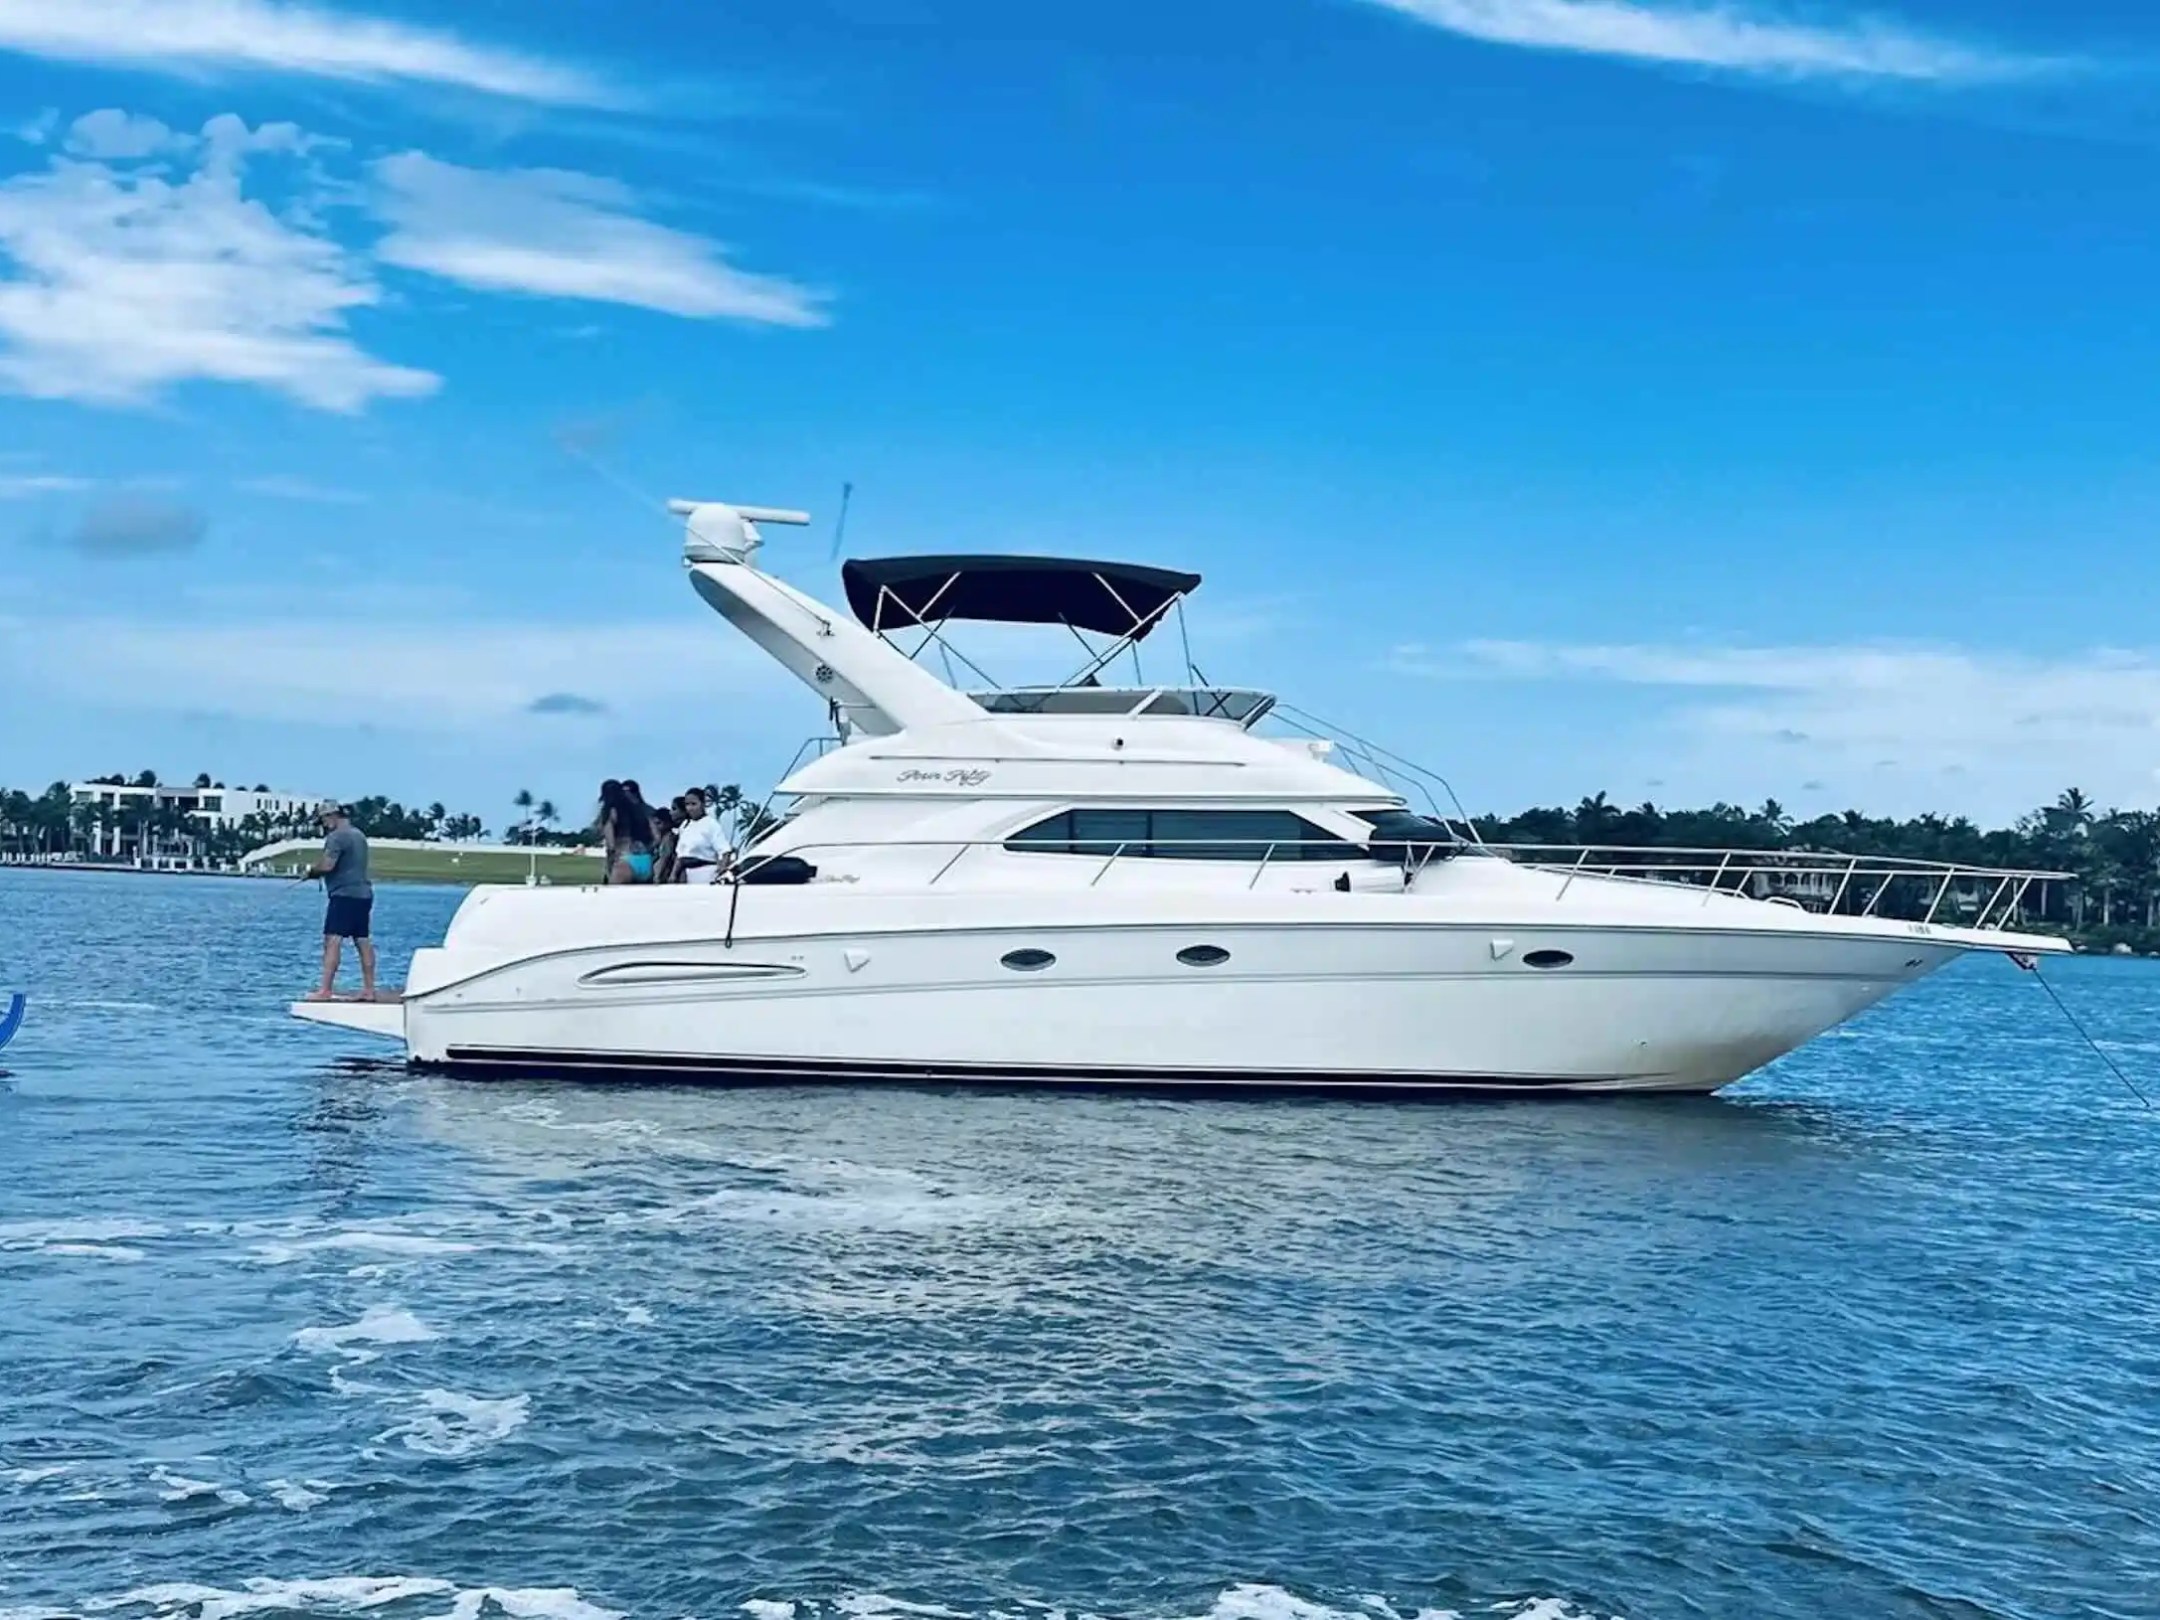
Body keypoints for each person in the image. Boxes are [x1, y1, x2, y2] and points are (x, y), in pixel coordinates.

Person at [301, 800, 378, 1002]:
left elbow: (327, 865)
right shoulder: (359, 835)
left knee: (332, 940)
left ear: (331, 816)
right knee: (362, 941)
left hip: (344, 895)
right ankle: (369, 990)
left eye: (323, 820)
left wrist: (312, 872)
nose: (323, 825)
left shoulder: (336, 837)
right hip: (364, 894)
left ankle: (325, 990)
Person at [598, 779, 655, 884]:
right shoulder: (639, 809)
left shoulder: (610, 811)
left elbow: (611, 845)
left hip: (624, 860)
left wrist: (609, 866)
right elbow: (656, 836)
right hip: (645, 860)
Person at [673, 787, 726, 884]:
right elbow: (680, 854)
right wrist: (673, 875)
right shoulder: (685, 825)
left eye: (693, 804)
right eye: (687, 804)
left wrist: (721, 871)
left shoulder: (711, 824)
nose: (690, 808)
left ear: (702, 804)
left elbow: (724, 851)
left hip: (706, 873)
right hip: (686, 874)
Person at [649, 806, 678, 885]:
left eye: (659, 823)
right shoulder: (659, 839)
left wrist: (657, 877)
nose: (656, 827)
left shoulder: (669, 838)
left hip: (663, 877)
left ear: (667, 823)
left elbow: (664, 858)